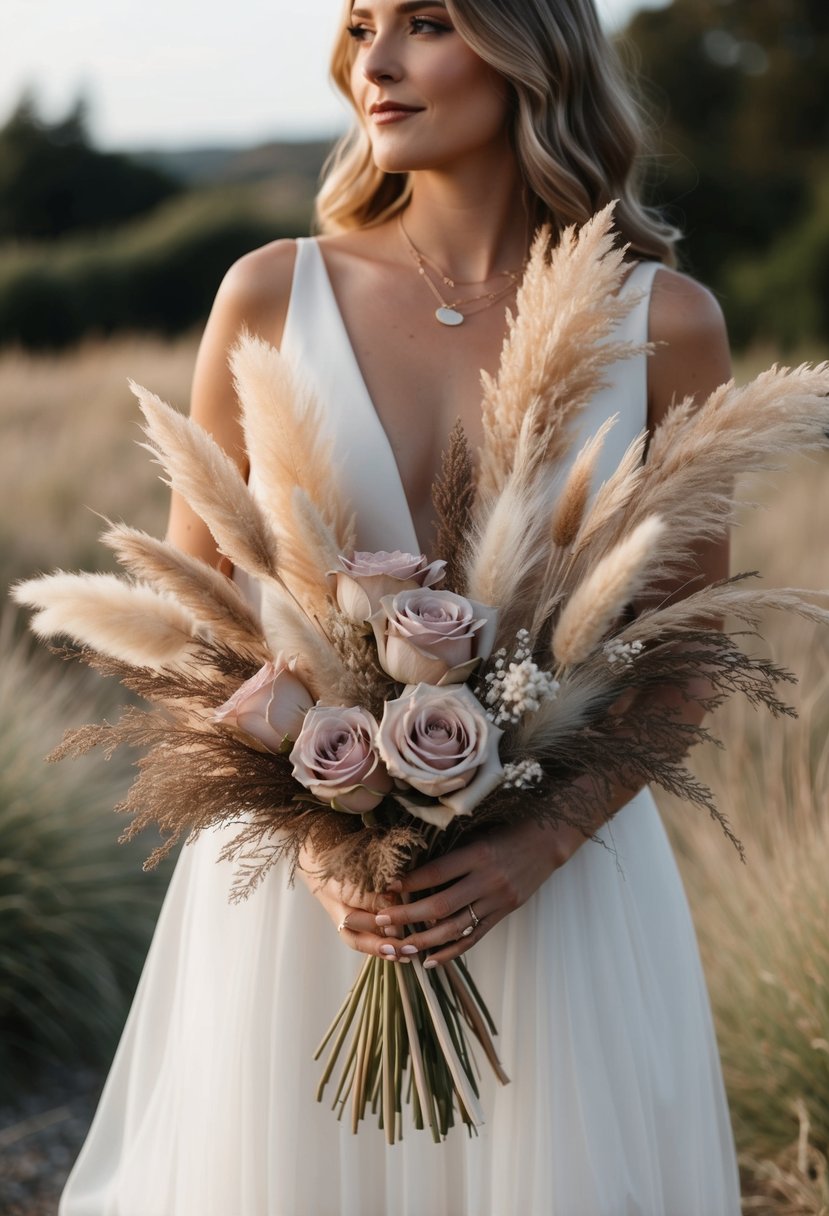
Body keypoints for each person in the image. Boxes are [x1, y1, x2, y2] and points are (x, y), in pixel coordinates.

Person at [60, 1, 742, 1212]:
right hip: (295, 902)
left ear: (530, 47)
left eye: (424, 21)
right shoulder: (270, 291)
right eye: (360, 23)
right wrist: (322, 839)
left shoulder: (665, 322)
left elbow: (688, 656)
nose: (370, 61)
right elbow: (192, 632)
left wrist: (536, 844)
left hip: (555, 892)